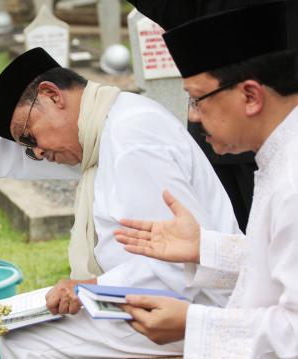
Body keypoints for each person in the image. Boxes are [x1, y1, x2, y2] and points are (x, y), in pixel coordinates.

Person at [0, 47, 240, 357]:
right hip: (143, 293)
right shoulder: (106, 124)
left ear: (52, 96)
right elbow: (8, 150)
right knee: (12, 324)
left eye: (31, 139)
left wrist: (88, 287)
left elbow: (170, 270)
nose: (36, 154)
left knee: (21, 342)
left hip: (197, 307)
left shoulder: (131, 140)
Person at [114, 2, 298, 357]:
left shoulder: (292, 181)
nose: (193, 117)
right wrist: (205, 248)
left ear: (250, 95)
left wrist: (194, 323)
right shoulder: (280, 153)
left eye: (198, 99)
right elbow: (280, 262)